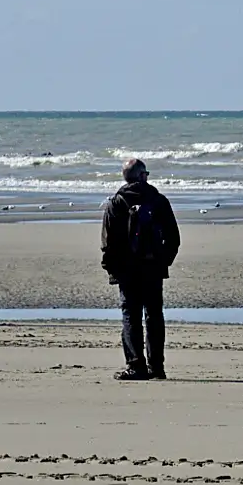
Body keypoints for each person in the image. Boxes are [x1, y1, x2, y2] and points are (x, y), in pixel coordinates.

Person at [100, 158, 180, 380]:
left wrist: (110, 267)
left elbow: (108, 241)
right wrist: (164, 261)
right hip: (153, 266)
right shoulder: (158, 200)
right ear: (142, 175)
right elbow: (173, 238)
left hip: (126, 268)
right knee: (154, 315)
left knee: (131, 315)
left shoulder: (116, 202)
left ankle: (136, 366)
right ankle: (157, 367)